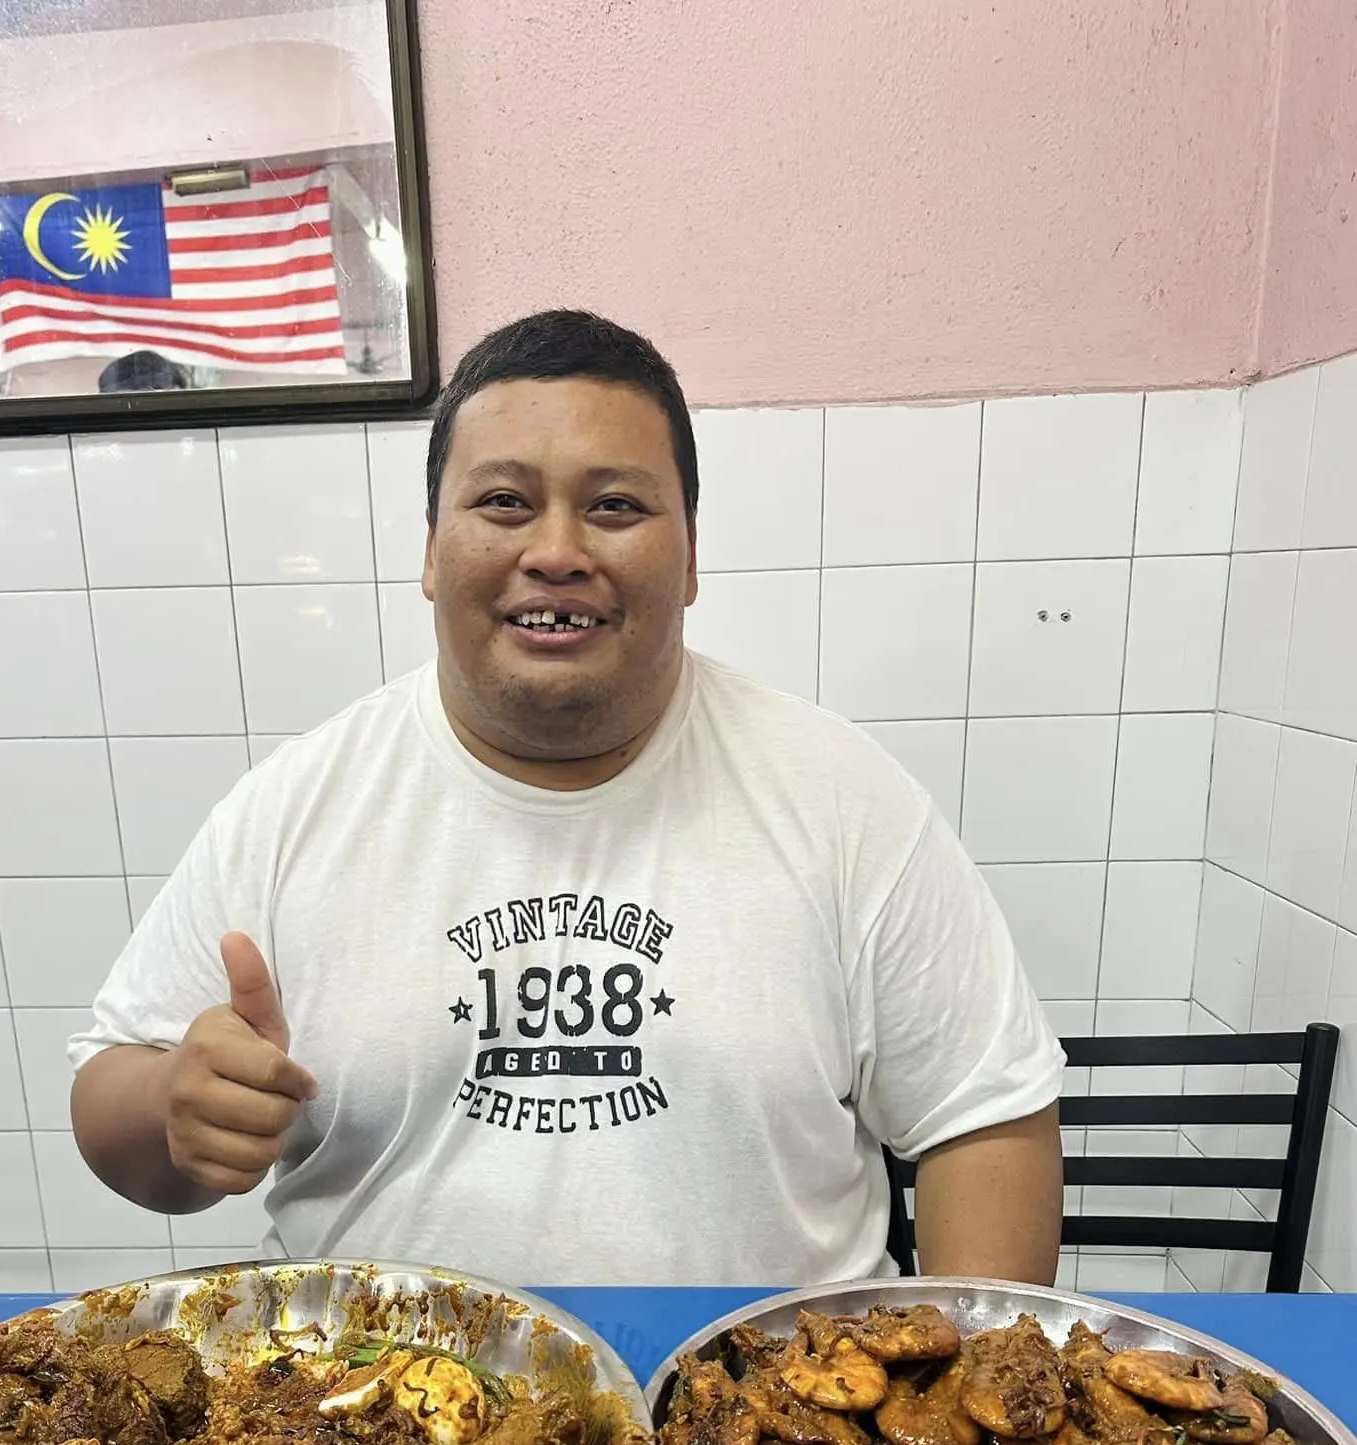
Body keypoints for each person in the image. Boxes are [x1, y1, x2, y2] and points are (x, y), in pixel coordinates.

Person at [69, 309, 1064, 1286]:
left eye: (615, 506)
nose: (555, 549)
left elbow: (987, 1117)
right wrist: (177, 1105)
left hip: (769, 1424)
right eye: (503, 502)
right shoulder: (292, 808)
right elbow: (110, 1090)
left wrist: (971, 1397)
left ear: (691, 557)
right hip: (368, 1418)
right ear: (429, 550)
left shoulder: (845, 799)